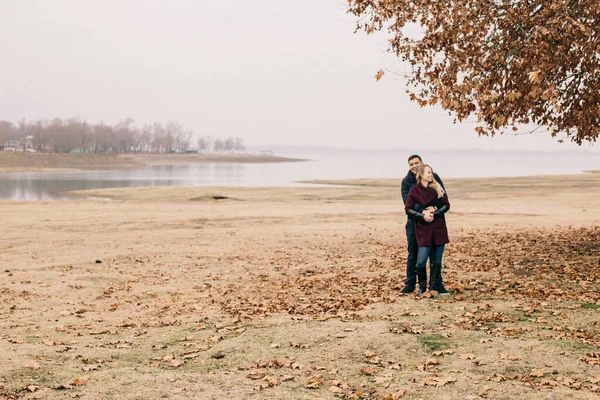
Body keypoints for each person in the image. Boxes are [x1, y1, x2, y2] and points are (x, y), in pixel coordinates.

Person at [400, 155, 447, 294]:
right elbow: (408, 203)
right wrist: (423, 213)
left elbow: (443, 197)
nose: (414, 166)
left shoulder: (433, 177)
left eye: (416, 163)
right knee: (414, 253)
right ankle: (410, 284)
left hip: (433, 221)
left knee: (435, 255)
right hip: (414, 222)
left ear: (422, 164)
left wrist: (434, 209)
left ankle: (437, 284)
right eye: (411, 164)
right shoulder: (407, 181)